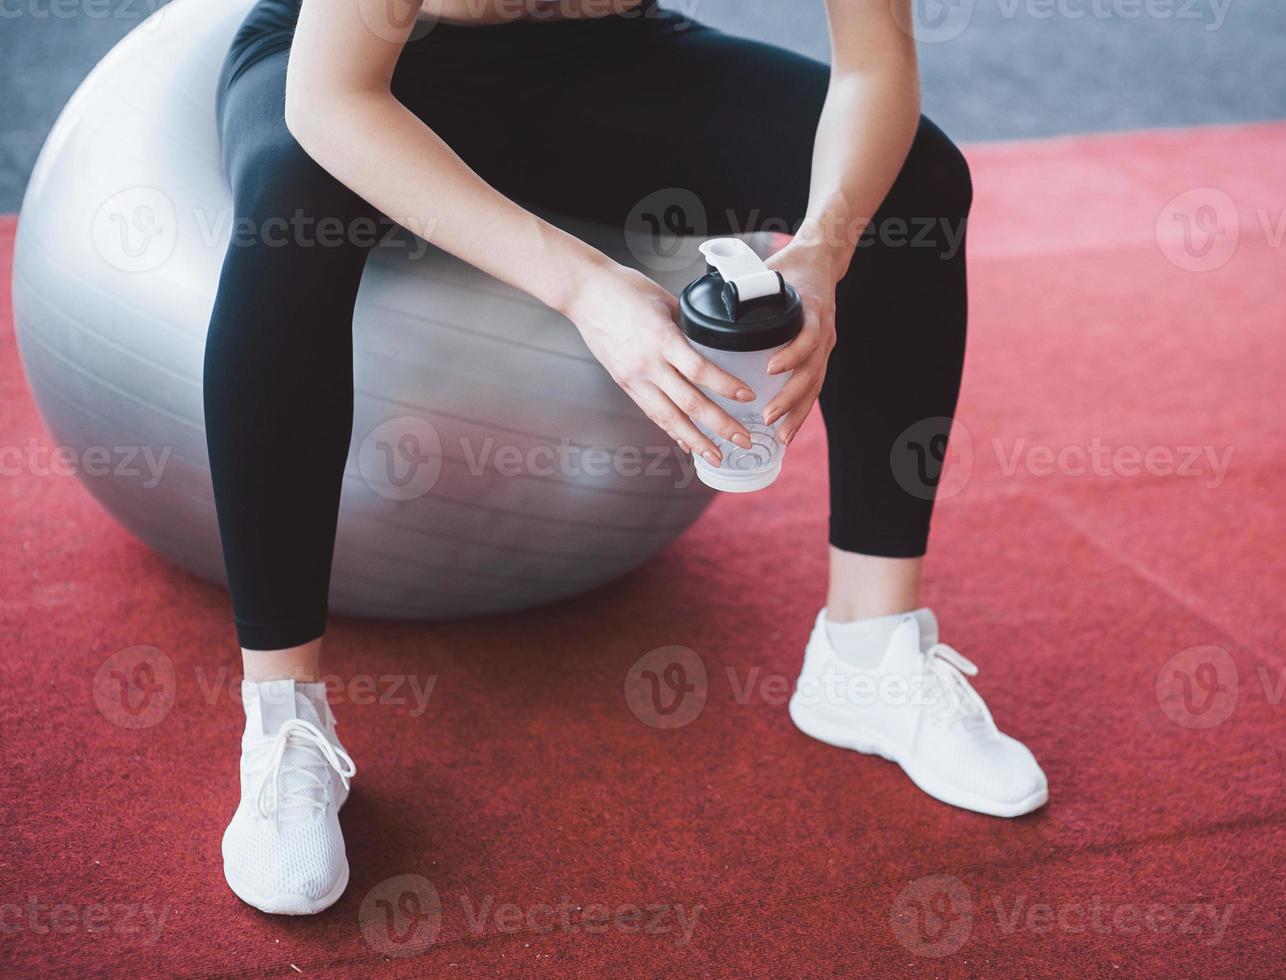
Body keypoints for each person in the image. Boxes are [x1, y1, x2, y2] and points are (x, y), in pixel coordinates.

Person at [206, 0, 1047, 916]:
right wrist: (585, 289)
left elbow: (873, 67)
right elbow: (331, 100)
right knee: (292, 206)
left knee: (915, 179)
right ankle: (284, 718)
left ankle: (866, 650)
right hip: (373, 71)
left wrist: (820, 254)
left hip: (601, 64)